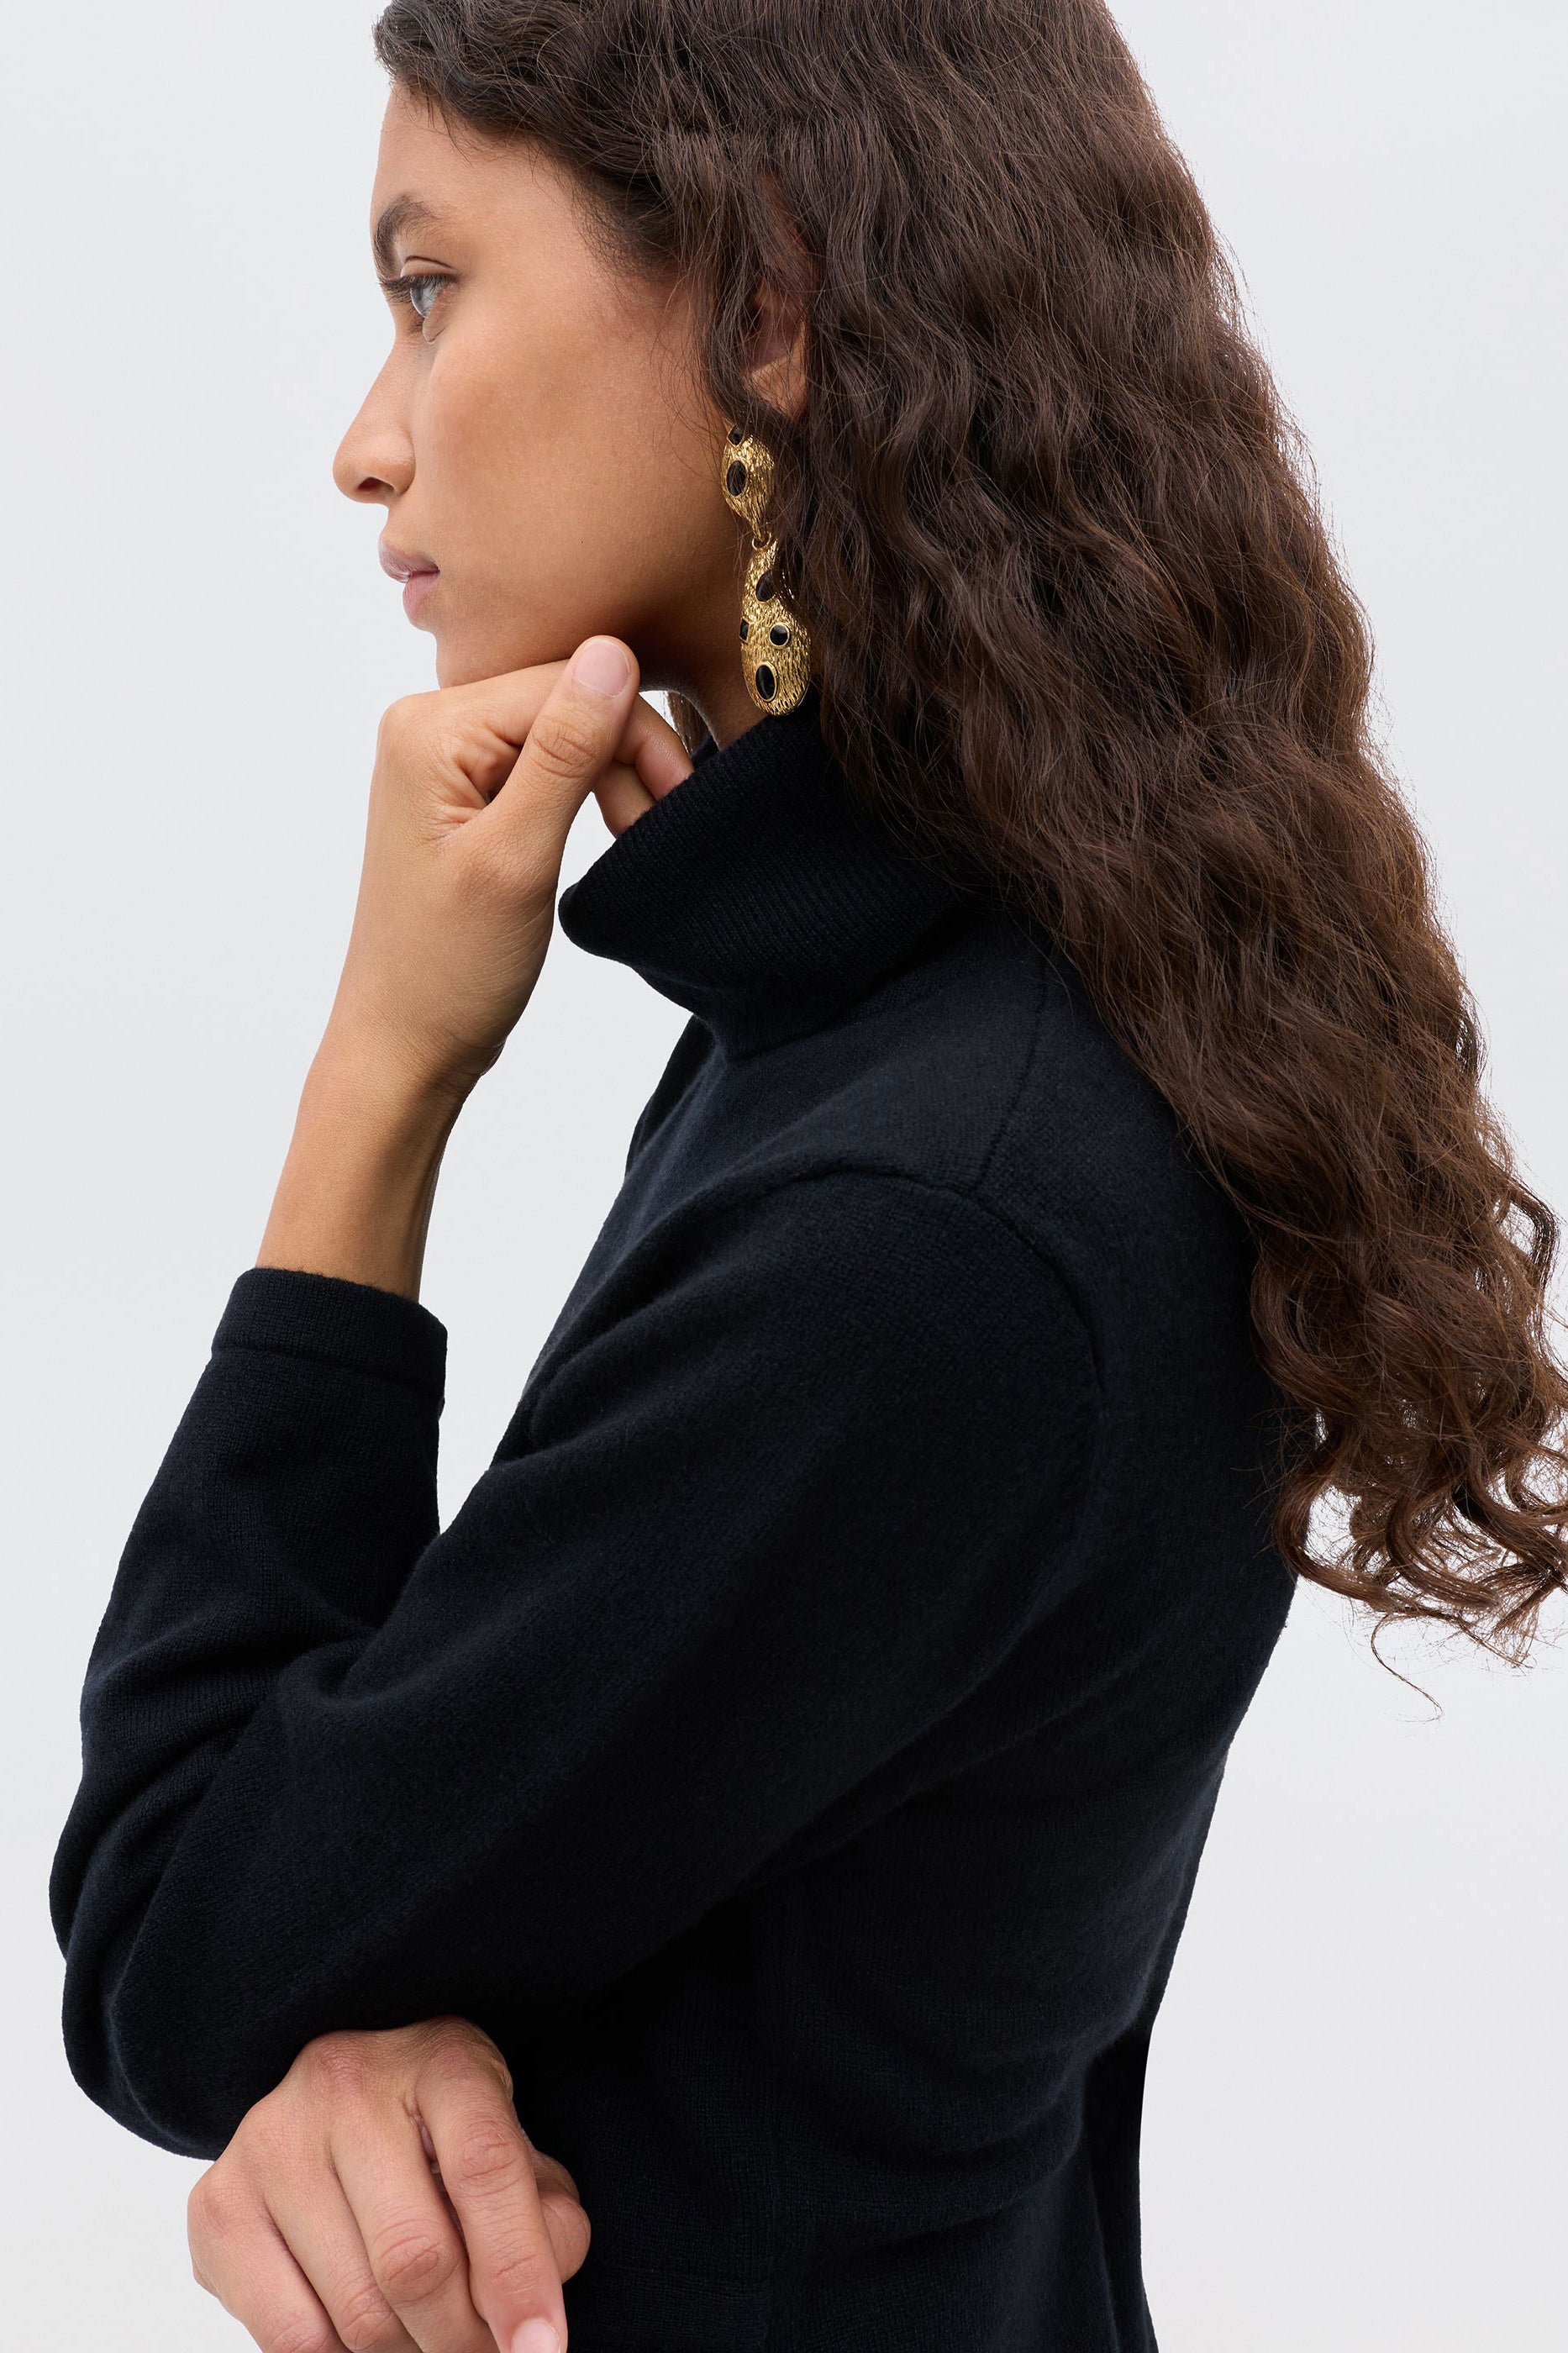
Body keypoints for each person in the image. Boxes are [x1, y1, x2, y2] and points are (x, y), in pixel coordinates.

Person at [49, 3, 1568, 2350]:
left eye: (430, 288)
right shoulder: (925, 1022)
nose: (368, 443)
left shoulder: (927, 1222)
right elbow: (512, 1872)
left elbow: (175, 1943)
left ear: (765, 303)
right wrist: (361, 2018)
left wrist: (383, 1071)